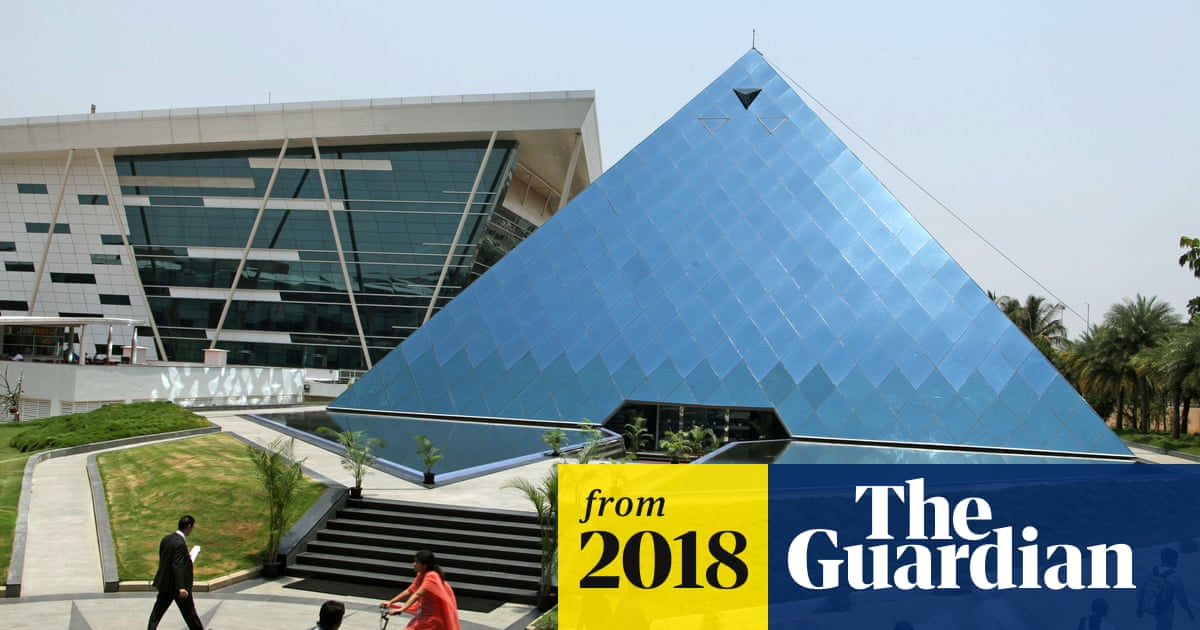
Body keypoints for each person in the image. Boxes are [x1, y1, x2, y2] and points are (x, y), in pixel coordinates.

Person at [147, 514, 204, 630]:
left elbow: (165, 559)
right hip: (177, 587)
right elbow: (177, 565)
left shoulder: (166, 539)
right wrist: (181, 587)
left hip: (165, 585)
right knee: (190, 614)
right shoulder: (180, 544)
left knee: (157, 613)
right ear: (188, 526)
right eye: (192, 528)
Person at [380, 550, 460, 630]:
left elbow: (417, 594)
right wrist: (390, 602)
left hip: (432, 619)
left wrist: (402, 608)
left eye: (417, 562)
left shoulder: (431, 576)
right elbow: (409, 591)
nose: (414, 564)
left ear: (424, 565)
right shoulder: (421, 575)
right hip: (424, 615)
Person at [1138, 547, 1195, 629]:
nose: (1176, 562)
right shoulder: (1174, 576)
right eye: (1176, 559)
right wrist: (1189, 611)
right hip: (1166, 608)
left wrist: (1140, 606)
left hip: (1152, 603)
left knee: (1159, 624)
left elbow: (1142, 588)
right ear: (1172, 560)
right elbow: (1181, 597)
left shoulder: (1151, 570)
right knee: (1165, 626)